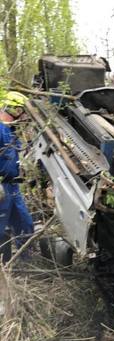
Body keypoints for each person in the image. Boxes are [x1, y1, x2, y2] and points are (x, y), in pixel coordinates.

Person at [0, 91, 34, 262]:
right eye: (22, 111)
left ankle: (24, 265)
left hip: (13, 188)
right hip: (1, 188)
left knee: (25, 224)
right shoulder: (0, 129)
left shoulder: (12, 131)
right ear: (14, 109)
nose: (25, 116)